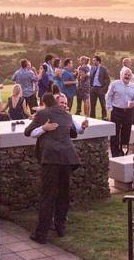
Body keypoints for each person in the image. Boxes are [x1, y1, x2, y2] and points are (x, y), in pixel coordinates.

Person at [24, 93, 88, 244]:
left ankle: (41, 234)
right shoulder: (66, 115)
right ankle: (60, 228)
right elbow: (74, 133)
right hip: (67, 158)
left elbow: (27, 132)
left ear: (43, 103)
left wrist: (43, 128)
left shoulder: (42, 113)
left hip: (51, 158)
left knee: (48, 195)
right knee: (63, 194)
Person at [106, 68, 134, 157]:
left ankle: (123, 152)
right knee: (115, 133)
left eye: (129, 75)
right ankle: (115, 154)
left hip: (129, 112)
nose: (127, 76)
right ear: (121, 75)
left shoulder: (133, 86)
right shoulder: (115, 84)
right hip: (116, 111)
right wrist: (110, 108)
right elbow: (108, 96)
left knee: (126, 133)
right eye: (125, 74)